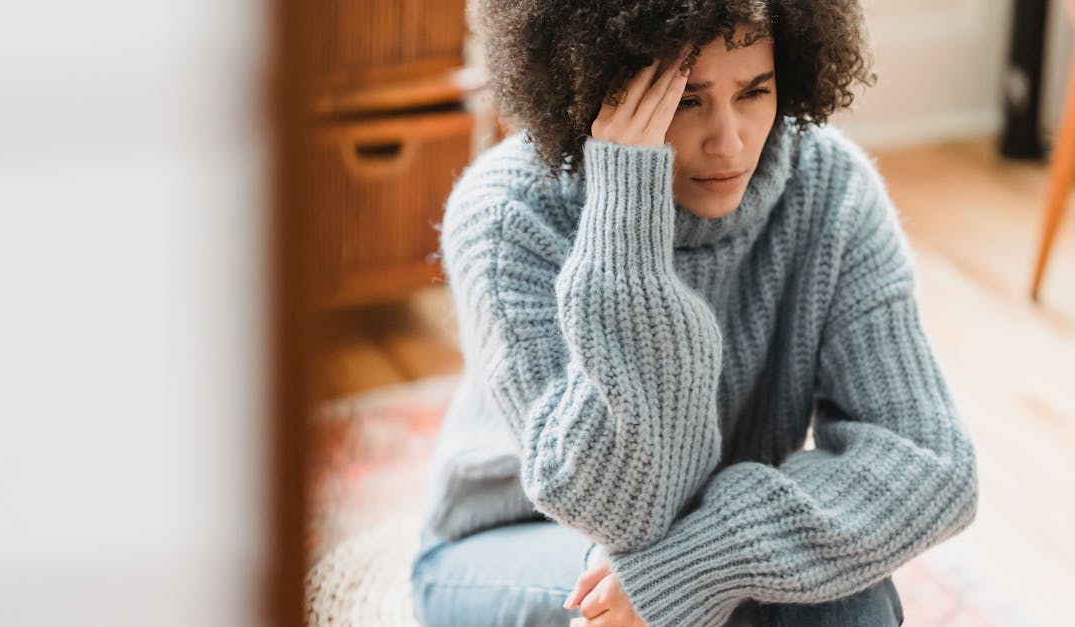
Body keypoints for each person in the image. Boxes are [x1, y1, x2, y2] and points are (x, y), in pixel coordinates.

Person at [411, 1, 979, 625]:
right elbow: (620, 510)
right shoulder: (507, 213)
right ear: (601, 89)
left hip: (692, 523)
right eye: (686, 100)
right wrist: (626, 215)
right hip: (511, 538)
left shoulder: (830, 188)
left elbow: (931, 463)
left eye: (755, 92)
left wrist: (702, 561)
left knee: (842, 595)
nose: (729, 141)